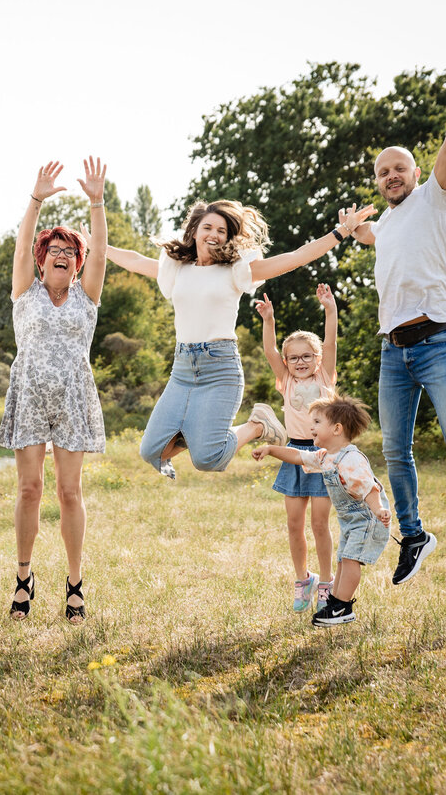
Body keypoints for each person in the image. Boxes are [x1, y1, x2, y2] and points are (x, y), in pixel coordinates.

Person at [349, 35, 446, 588]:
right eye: (382, 172)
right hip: (394, 351)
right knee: (395, 451)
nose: (391, 176)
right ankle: (412, 535)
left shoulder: (436, 196)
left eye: (399, 169)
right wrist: (352, 229)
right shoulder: (387, 224)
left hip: (438, 341)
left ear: (414, 173)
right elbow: (374, 237)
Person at [103, 200, 375, 479]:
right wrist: (96, 244)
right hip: (183, 368)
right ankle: (198, 434)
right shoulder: (177, 268)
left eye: (221, 230)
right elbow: (135, 260)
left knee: (207, 459)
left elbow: (296, 256)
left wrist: (341, 231)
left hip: (220, 368)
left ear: (228, 236)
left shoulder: (236, 270)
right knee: (151, 452)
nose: (214, 234)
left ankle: (258, 425)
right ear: (194, 231)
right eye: (207, 227)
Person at [0, 159, 108, 623]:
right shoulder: (26, 291)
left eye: (70, 250)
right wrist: (36, 198)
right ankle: (24, 578)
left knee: (68, 492)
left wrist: (97, 201)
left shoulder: (87, 295)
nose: (61, 253)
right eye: (54, 248)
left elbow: (101, 252)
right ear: (42, 260)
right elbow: (22, 243)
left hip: (73, 398)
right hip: (30, 393)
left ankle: (75, 583)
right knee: (29, 489)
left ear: (77, 263)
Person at [253, 395, 391, 627]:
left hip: (368, 519)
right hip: (352, 522)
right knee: (342, 561)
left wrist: (379, 510)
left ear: (337, 429)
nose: (311, 427)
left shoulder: (351, 459)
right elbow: (298, 456)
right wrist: (270, 449)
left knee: (350, 561)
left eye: (317, 422)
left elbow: (370, 488)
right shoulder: (326, 457)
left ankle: (342, 607)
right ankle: (334, 604)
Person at [254, 285, 338, 612]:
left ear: (317, 359)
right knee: (293, 523)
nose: (300, 361)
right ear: (287, 362)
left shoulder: (325, 378)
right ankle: (303, 580)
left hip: (320, 456)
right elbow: (269, 350)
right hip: (292, 454)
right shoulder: (286, 380)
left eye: (307, 356)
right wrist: (269, 319)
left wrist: (329, 310)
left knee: (319, 524)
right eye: (294, 357)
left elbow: (330, 342)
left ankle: (327, 584)